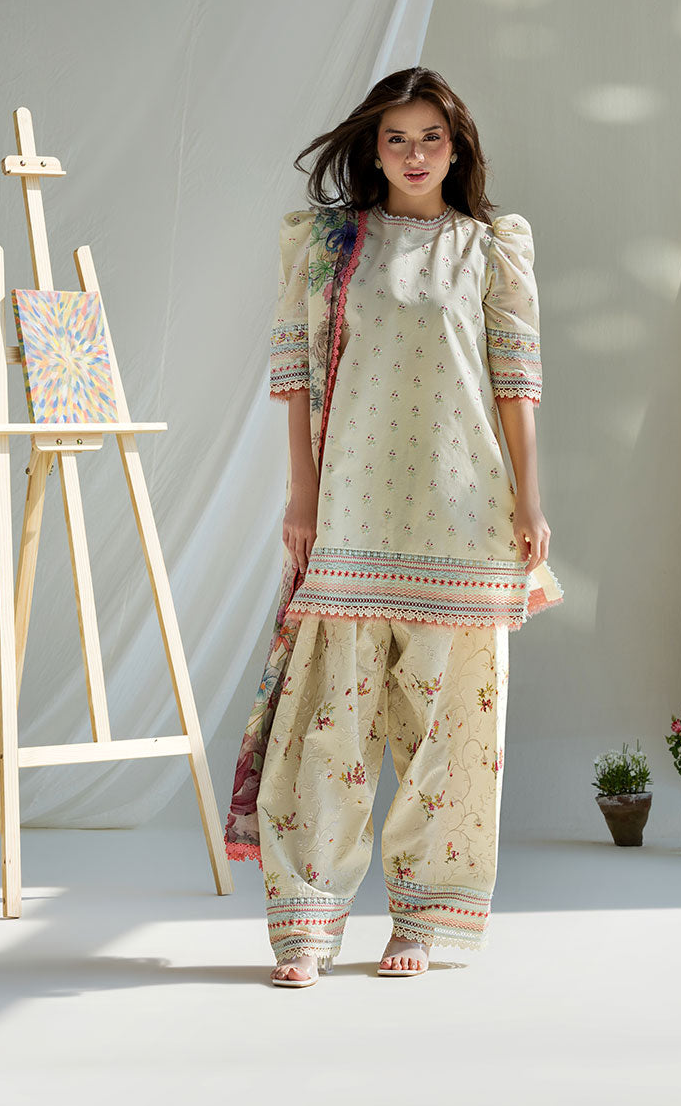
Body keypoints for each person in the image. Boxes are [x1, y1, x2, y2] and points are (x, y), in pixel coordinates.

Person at [225, 66, 564, 986]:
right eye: (396, 139)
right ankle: (307, 927)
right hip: (351, 512)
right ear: (373, 151)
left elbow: (516, 383)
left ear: (458, 149)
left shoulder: (490, 249)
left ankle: (421, 921)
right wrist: (301, 497)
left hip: (465, 514)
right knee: (324, 731)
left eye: (431, 138)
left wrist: (530, 500)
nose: (415, 155)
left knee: (450, 736)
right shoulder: (331, 245)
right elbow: (296, 376)